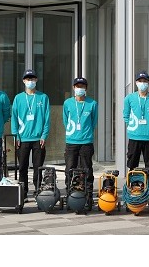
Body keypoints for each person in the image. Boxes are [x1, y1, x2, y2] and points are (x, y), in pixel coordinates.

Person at [11, 69, 50, 201]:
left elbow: (47, 118)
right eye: (28, 79)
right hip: (22, 139)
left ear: (36, 80)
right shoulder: (18, 98)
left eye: (32, 79)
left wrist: (44, 135)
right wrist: (16, 135)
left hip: (38, 139)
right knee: (22, 167)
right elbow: (14, 118)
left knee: (38, 168)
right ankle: (23, 192)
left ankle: (38, 191)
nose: (30, 81)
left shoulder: (43, 97)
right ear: (23, 81)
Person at [123, 71, 149, 192]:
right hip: (134, 137)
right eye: (140, 81)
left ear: (148, 82)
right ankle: (131, 188)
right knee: (132, 164)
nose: (142, 83)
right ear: (136, 83)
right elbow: (126, 115)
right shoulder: (129, 98)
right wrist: (133, 127)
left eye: (145, 81)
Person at [63, 77, 98, 208]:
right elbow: (65, 120)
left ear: (86, 88)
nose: (80, 89)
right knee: (69, 168)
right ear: (74, 88)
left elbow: (93, 122)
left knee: (87, 169)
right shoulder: (68, 103)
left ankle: (88, 196)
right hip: (71, 141)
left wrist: (85, 132)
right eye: (77, 86)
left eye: (82, 86)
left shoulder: (92, 103)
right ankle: (69, 194)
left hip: (86, 141)